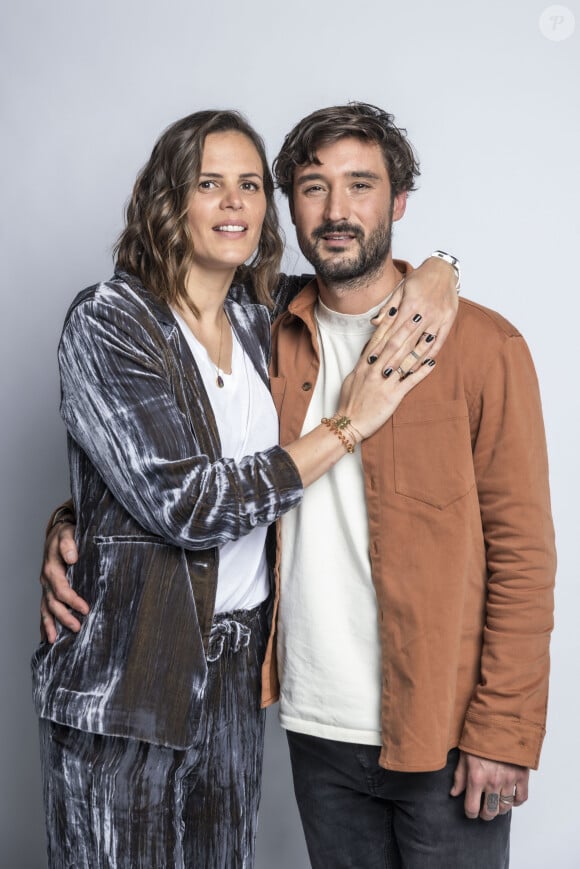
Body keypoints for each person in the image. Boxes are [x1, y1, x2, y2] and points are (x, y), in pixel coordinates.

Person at [33, 107, 458, 869]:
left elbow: (364, 274)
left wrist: (442, 266)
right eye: (209, 183)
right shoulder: (110, 322)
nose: (234, 203)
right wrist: (346, 426)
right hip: (127, 680)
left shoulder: (264, 317)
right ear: (169, 199)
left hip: (233, 677)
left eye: (251, 185)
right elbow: (186, 503)